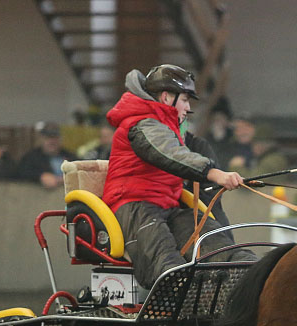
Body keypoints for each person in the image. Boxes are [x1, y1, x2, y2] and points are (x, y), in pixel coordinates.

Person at [102, 64, 253, 288]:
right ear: (166, 97)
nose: (187, 107)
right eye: (185, 100)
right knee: (167, 263)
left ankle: (250, 274)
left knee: (211, 240)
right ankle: (179, 295)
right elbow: (170, 153)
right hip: (134, 207)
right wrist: (214, 173)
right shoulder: (142, 124)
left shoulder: (162, 125)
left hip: (167, 207)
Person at [17, 122, 76, 188]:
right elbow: (20, 172)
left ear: (60, 139)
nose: (52, 141)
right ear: (41, 139)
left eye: (55, 137)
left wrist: (63, 179)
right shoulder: (31, 158)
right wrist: (40, 176)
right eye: (48, 138)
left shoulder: (70, 156)